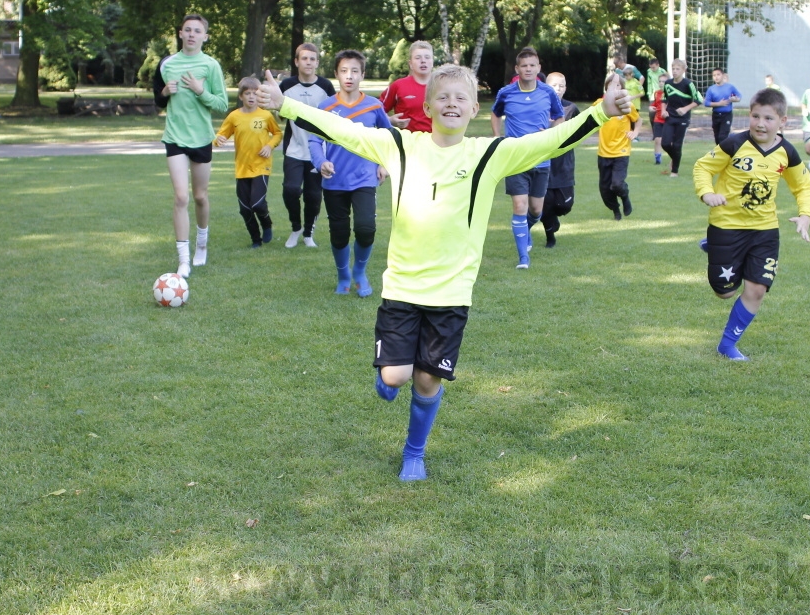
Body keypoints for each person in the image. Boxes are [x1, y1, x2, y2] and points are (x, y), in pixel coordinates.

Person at [259, 65, 632, 481]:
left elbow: (549, 141)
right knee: (396, 375)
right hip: (402, 285)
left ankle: (413, 453)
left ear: (474, 108)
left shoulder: (490, 154)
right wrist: (285, 105)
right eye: (443, 96)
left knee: (427, 379)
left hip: (452, 293)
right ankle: (387, 377)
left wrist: (600, 113)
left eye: (460, 98)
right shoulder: (399, 145)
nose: (451, 103)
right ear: (427, 104)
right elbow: (342, 129)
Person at [694, 88, 810, 360]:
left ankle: (727, 345)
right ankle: (714, 247)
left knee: (757, 289)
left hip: (765, 230)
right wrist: (707, 193)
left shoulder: (786, 153)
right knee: (724, 292)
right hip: (727, 225)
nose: (761, 123)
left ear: (782, 121)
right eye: (755, 116)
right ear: (749, 116)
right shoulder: (733, 144)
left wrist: (806, 215)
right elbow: (703, 167)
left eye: (769, 118)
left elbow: (803, 187)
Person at [309, 49, 392, 297]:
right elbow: (314, 140)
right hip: (335, 180)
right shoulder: (325, 107)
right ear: (336, 74)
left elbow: (388, 137)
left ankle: (360, 271)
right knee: (339, 231)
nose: (349, 76)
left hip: (365, 177)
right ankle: (344, 275)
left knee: (366, 227)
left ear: (362, 74)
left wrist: (384, 163)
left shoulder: (374, 106)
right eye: (344, 71)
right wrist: (321, 161)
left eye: (355, 71)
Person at [152, 15, 229, 278]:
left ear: (205, 37)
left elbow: (221, 105)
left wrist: (200, 90)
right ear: (181, 34)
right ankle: (183, 259)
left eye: (198, 31)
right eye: (188, 30)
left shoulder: (211, 66)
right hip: (174, 137)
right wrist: (164, 93)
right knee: (181, 197)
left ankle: (202, 244)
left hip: (201, 139)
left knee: (199, 197)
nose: (192, 34)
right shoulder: (167, 64)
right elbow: (158, 101)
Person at [491, 48, 565, 268]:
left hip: (541, 159)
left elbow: (560, 117)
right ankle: (523, 257)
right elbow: (496, 114)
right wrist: (498, 137)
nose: (528, 69)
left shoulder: (548, 93)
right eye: (524, 65)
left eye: (532, 65)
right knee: (519, 205)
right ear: (517, 69)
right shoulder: (506, 92)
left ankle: (527, 230)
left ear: (539, 68)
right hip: (515, 158)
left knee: (535, 210)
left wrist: (551, 132)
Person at [279, 43, 335, 248]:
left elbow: (332, 117)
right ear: (296, 62)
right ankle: (296, 228)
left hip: (317, 152)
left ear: (317, 62)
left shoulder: (326, 87)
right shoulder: (286, 86)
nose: (308, 62)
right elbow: (277, 110)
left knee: (313, 195)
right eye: (304, 58)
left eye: (313, 59)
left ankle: (308, 232)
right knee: (291, 190)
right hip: (294, 149)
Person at [216, 77, 282, 247]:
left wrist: (269, 146)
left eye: (255, 93)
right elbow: (221, 135)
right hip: (242, 168)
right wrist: (219, 140)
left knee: (258, 204)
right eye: (248, 93)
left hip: (261, 166)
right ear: (241, 96)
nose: (251, 97)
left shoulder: (265, 115)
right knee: (245, 209)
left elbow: (277, 134)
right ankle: (255, 240)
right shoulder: (234, 117)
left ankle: (267, 225)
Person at [541, 72, 580, 247]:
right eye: (554, 85)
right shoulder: (539, 107)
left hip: (564, 164)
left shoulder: (571, 109)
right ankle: (550, 235)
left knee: (565, 205)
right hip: (542, 163)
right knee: (543, 204)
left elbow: (579, 131)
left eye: (562, 86)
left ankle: (554, 220)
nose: (558, 89)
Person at [595, 72, 640, 220]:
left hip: (621, 151)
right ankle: (615, 209)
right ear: (606, 88)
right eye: (611, 86)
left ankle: (625, 198)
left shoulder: (627, 105)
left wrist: (635, 132)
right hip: (603, 153)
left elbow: (638, 120)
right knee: (604, 190)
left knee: (617, 184)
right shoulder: (598, 104)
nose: (615, 88)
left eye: (618, 85)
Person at [660, 59, 703, 177]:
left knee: (677, 145)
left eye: (677, 69)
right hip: (670, 116)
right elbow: (664, 99)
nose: (675, 71)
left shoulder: (688, 84)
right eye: (673, 69)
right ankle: (675, 158)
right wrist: (663, 110)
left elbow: (699, 99)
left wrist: (685, 109)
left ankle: (675, 171)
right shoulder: (668, 83)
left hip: (683, 118)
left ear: (684, 70)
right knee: (665, 143)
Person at [381, 40, 434, 132]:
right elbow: (376, 109)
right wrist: (389, 120)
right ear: (410, 64)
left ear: (432, 61)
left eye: (427, 57)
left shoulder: (441, 86)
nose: (423, 61)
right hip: (406, 142)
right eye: (418, 58)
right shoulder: (398, 86)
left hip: (436, 142)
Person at [703, 67, 742, 144]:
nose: (716, 77)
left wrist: (734, 99)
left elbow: (739, 97)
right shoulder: (711, 89)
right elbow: (706, 103)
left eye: (718, 74)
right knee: (717, 137)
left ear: (723, 76)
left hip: (726, 115)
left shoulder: (730, 87)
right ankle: (721, 152)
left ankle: (725, 152)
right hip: (716, 115)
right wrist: (719, 104)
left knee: (722, 136)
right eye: (714, 75)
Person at [650, 73, 669, 165]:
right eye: (660, 81)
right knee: (657, 140)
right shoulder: (657, 93)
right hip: (658, 119)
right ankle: (657, 158)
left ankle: (673, 158)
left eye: (664, 81)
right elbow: (654, 104)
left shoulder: (670, 93)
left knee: (667, 141)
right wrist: (651, 108)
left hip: (668, 120)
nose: (661, 83)